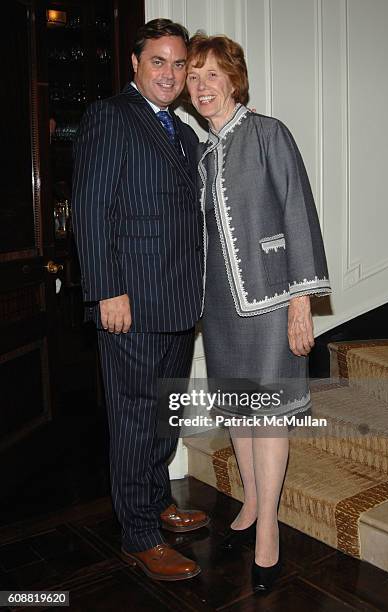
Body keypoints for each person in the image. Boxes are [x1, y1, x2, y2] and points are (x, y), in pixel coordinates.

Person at [186, 34, 331, 591]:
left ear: (233, 79)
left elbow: (299, 212)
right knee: (240, 413)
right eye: (194, 78)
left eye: (212, 75)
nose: (201, 87)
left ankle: (268, 526)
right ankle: (251, 503)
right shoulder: (202, 152)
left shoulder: (269, 133)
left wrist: (302, 302)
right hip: (221, 308)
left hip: (273, 302)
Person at [72, 19, 209, 582]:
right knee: (133, 419)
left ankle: (156, 504)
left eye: (179, 65)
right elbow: (90, 208)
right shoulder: (111, 116)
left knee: (163, 416)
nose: (170, 74)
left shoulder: (184, 132)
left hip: (178, 302)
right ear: (135, 64)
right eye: (160, 62)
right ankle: (138, 535)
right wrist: (107, 289)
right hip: (130, 302)